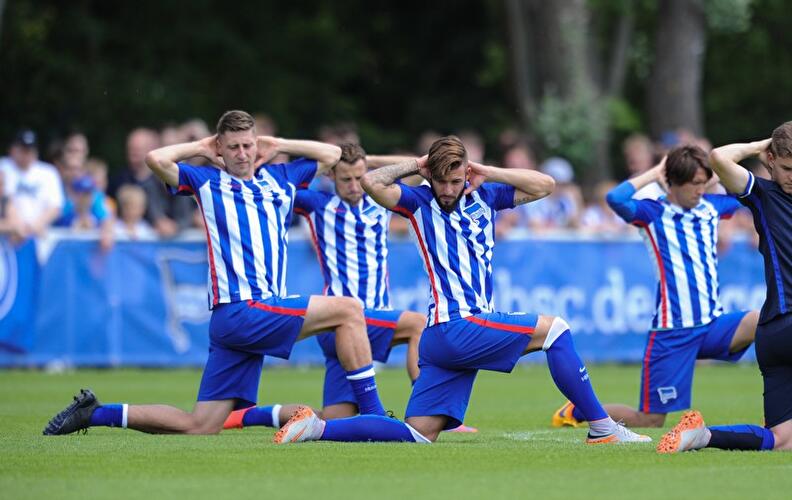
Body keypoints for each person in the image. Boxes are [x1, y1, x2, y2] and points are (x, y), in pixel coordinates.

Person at [271, 136, 650, 445]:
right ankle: (602, 428)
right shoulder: (418, 201)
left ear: (467, 173)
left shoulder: (486, 195)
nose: (449, 189)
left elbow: (545, 185)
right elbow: (372, 182)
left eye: (456, 180)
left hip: (440, 339)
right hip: (460, 325)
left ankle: (317, 428)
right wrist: (416, 165)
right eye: (442, 181)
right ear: (431, 177)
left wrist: (487, 171)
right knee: (556, 330)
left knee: (418, 433)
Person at [43, 110, 390, 435]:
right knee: (349, 309)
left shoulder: (281, 177)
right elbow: (155, 159)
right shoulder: (207, 180)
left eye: (248, 145)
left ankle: (95, 413)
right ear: (219, 149)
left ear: (257, 145)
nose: (242, 153)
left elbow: (333, 154)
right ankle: (375, 416)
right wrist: (200, 147)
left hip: (237, 321)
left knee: (201, 424)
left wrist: (278, 144)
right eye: (233, 147)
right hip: (245, 309)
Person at [222, 142, 431, 430]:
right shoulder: (318, 204)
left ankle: (246, 416)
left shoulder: (380, 198)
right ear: (331, 175)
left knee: (333, 420)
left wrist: (369, 159)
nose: (354, 186)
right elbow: (271, 187)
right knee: (418, 324)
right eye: (346, 179)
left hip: (367, 322)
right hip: (343, 319)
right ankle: (428, 413)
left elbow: (418, 166)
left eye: (359, 177)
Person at [552, 145, 758, 429]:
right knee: (649, 420)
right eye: (694, 184)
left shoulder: (712, 206)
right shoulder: (654, 213)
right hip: (672, 333)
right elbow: (615, 198)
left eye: (704, 182)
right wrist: (654, 173)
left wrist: (756, 149)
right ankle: (577, 410)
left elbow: (747, 190)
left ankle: (778, 410)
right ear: (673, 182)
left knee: (766, 321)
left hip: (712, 325)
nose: (700, 190)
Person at [658, 122, 792, 452]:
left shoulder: (765, 194)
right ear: (770, 160)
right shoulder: (765, 194)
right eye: (787, 168)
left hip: (773, 333)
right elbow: (718, 157)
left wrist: (770, 150)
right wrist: (760, 144)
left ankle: (702, 435)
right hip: (785, 324)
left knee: (783, 441)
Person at [0, 129, 64, 241]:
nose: (26, 154)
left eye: (29, 150)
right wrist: (17, 226)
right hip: (8, 236)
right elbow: (5, 199)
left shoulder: (48, 172)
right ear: (12, 149)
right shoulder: (3, 167)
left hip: (38, 236)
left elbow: (55, 206)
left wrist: (34, 227)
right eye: (22, 149)